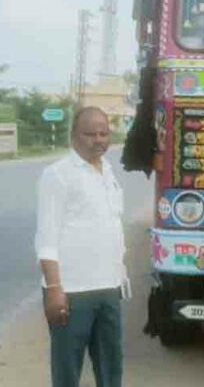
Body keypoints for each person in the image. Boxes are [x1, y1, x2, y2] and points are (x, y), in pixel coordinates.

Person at [35, 106, 128, 387]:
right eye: (90, 133)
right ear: (74, 136)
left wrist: (120, 277)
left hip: (109, 288)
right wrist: (54, 289)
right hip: (73, 292)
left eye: (104, 133)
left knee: (111, 367)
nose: (98, 139)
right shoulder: (58, 175)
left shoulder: (107, 171)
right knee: (67, 370)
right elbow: (46, 238)